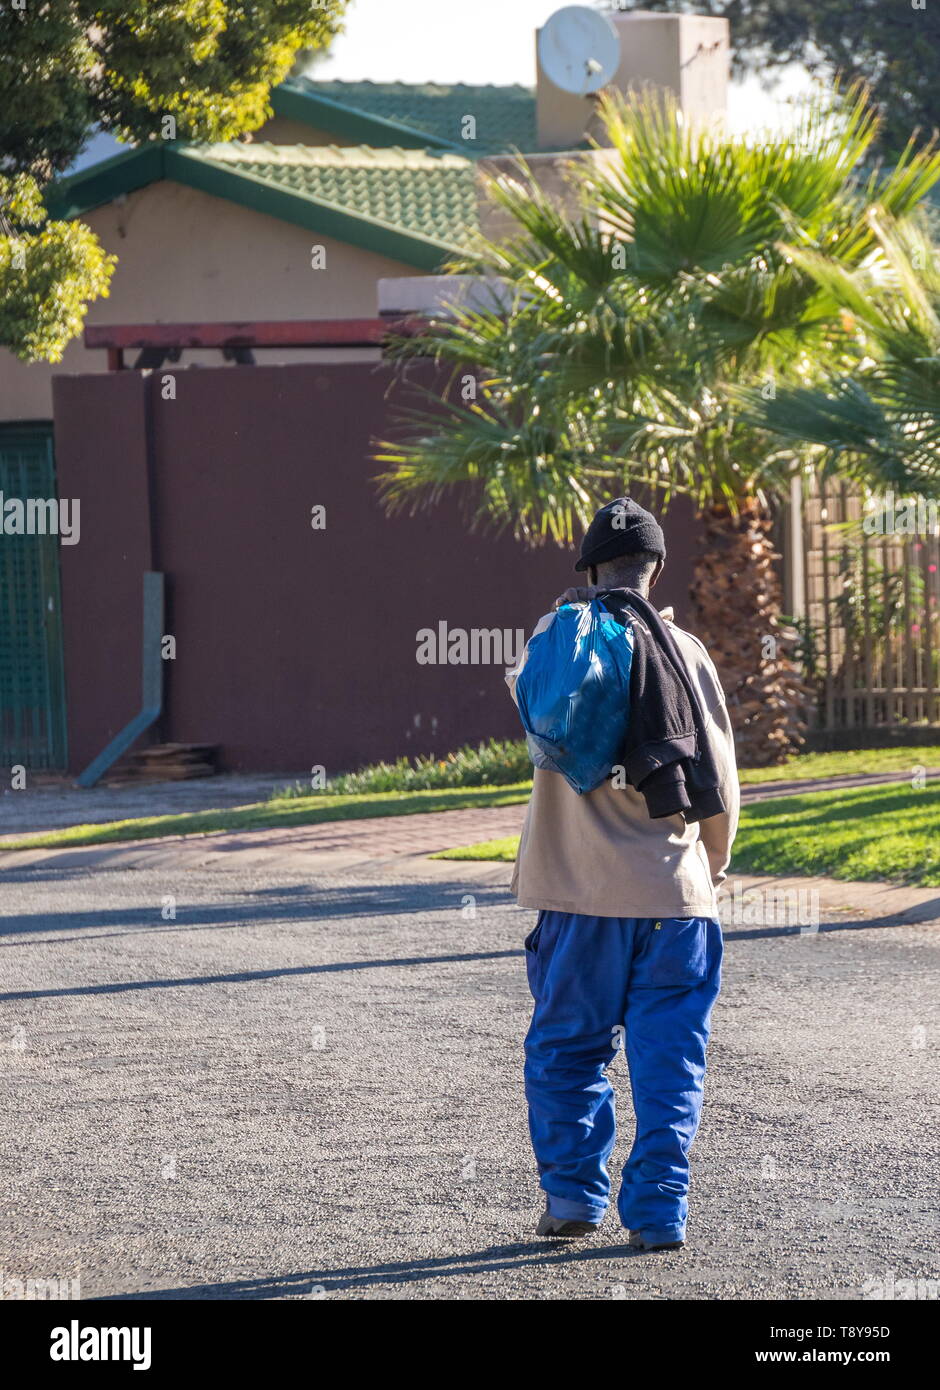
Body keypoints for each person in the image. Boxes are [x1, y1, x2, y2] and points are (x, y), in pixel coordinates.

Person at [505, 496, 739, 1251]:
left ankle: (572, 1200)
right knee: (670, 1067)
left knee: (568, 1052)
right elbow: (723, 788)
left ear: (588, 568)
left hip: (577, 901)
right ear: (658, 569)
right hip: (676, 900)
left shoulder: (554, 638)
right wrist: (711, 868)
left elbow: (532, 714)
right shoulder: (690, 653)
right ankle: (658, 1215)